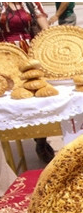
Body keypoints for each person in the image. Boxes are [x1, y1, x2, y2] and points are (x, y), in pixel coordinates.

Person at [0, 2, 54, 164]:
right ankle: (29, 133)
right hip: (8, 56)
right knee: (15, 97)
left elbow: (44, 27)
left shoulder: (29, 2)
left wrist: (53, 43)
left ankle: (41, 139)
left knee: (37, 95)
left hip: (30, 52)